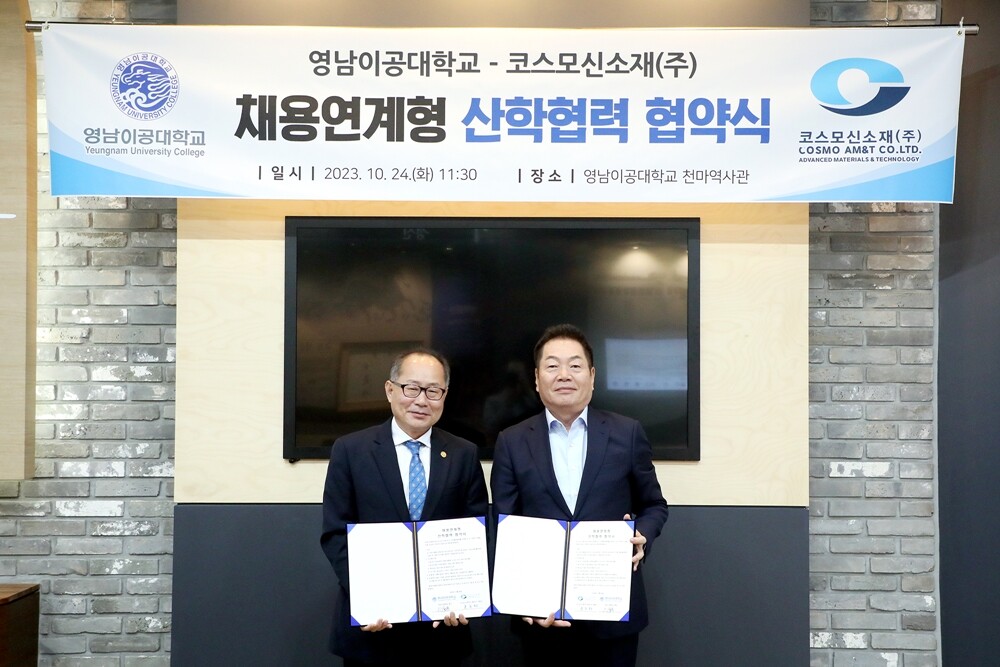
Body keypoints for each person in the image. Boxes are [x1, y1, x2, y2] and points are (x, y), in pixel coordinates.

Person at [490, 324, 669, 667]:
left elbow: (654, 505)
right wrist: (522, 599)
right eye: (552, 366)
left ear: (592, 376)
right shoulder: (511, 441)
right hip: (542, 614)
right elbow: (504, 524)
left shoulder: (627, 432)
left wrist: (643, 534)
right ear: (537, 379)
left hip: (612, 613)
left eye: (575, 365)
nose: (564, 375)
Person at [320, 347, 489, 667]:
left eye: (433, 391)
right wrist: (367, 599)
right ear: (390, 390)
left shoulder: (463, 454)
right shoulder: (350, 450)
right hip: (372, 631)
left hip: (442, 633)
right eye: (411, 388)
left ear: (445, 395)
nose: (422, 400)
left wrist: (463, 596)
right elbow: (335, 534)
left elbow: (477, 533)